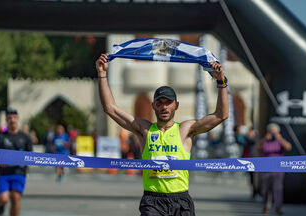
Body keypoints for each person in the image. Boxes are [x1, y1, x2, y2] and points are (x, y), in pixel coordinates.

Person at [96, 53, 229, 215]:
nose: (164, 107)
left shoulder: (185, 129)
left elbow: (221, 115)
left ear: (176, 105)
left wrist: (221, 81)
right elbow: (110, 108)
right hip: (153, 202)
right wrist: (102, 74)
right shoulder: (144, 129)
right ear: (153, 106)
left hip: (180, 200)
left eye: (168, 103)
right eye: (159, 103)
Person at [0, 109, 32, 216]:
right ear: (6, 120)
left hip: (19, 172)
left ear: (18, 119)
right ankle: (1, 205)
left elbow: (31, 155)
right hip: (3, 172)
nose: (12, 120)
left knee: (15, 197)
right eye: (9, 118)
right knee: (3, 199)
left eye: (14, 118)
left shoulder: (25, 137)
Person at [258, 123, 291, 215]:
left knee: (277, 189)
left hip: (278, 168)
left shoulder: (280, 140)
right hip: (265, 168)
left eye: (274, 133)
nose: (272, 134)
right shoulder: (265, 140)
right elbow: (258, 148)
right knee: (265, 189)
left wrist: (279, 138)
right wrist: (265, 139)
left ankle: (278, 207)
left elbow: (288, 147)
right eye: (271, 132)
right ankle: (265, 206)